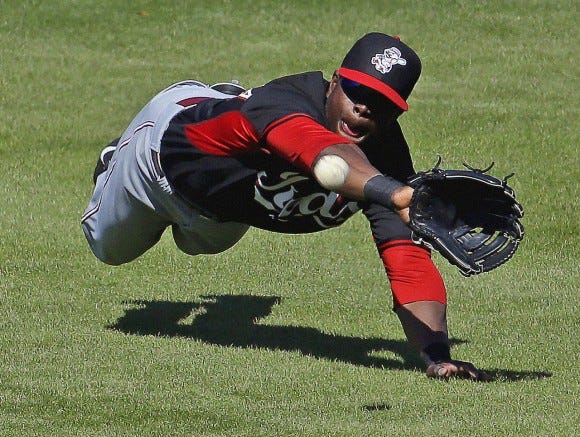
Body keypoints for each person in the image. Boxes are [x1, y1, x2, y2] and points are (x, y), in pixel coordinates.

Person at [81, 32, 489, 381]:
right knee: (109, 248)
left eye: (381, 104)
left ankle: (225, 102)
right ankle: (117, 158)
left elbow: (405, 257)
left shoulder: (386, 165)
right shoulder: (286, 103)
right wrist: (397, 195)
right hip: (155, 165)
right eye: (357, 92)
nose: (364, 108)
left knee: (200, 244)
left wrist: (436, 356)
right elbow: (315, 150)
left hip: (220, 209)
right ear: (333, 84)